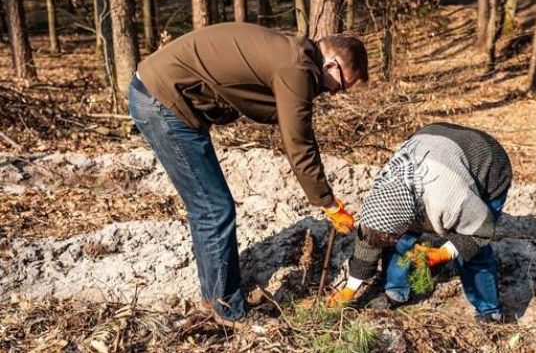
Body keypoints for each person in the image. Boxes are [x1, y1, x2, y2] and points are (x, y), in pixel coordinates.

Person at [127, 22, 368, 325]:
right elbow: (299, 143)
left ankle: (215, 298)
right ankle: (228, 310)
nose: (334, 93)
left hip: (160, 93)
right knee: (214, 208)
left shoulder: (294, 54)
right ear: (331, 64)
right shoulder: (297, 67)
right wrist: (328, 203)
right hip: (162, 100)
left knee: (209, 208)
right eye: (342, 84)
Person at [328, 123, 512, 323]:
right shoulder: (383, 191)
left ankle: (490, 310)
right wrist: (349, 289)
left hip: (487, 160)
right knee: (397, 238)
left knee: (472, 253)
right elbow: (372, 238)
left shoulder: (447, 199)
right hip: (433, 139)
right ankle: (396, 292)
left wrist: (444, 252)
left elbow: (481, 231)